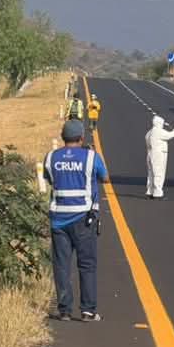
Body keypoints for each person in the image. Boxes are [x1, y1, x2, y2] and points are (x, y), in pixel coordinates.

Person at [44, 119, 109, 321]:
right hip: (83, 218)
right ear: (81, 138)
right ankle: (88, 310)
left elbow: (48, 177)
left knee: (62, 265)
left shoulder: (51, 157)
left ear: (63, 138)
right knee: (87, 265)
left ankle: (65, 310)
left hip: (58, 220)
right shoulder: (90, 157)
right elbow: (105, 177)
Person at [145, 115, 174, 199]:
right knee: (158, 173)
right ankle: (157, 193)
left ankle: (149, 192)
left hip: (150, 154)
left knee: (151, 174)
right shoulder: (158, 131)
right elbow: (170, 135)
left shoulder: (149, 132)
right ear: (159, 123)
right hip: (158, 154)